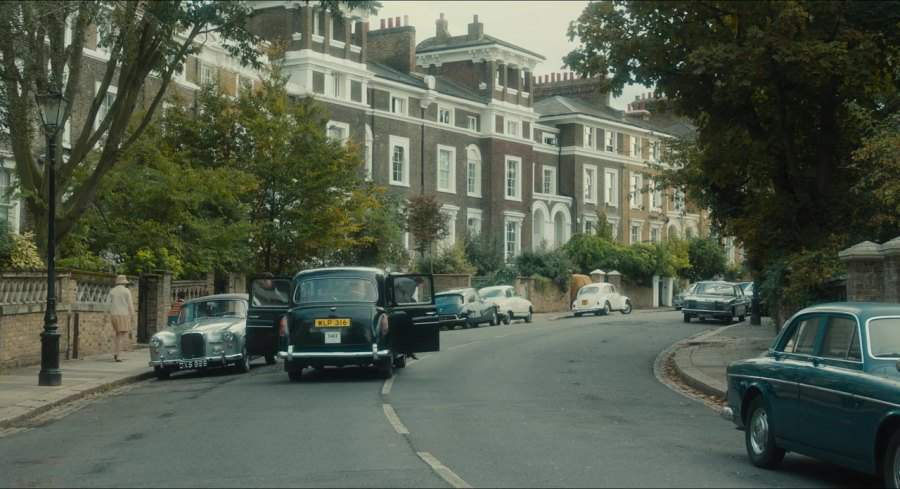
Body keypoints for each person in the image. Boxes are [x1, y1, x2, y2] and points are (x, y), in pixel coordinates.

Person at [107, 275, 135, 362]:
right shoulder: (126, 291)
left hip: (114, 315)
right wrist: (132, 315)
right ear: (124, 282)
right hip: (123, 314)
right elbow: (130, 304)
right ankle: (118, 355)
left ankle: (116, 352)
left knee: (117, 334)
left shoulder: (112, 291)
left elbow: (107, 303)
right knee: (121, 335)